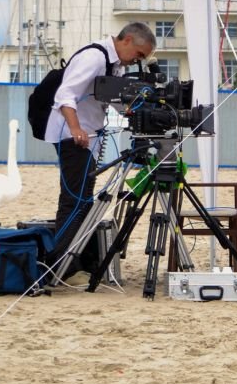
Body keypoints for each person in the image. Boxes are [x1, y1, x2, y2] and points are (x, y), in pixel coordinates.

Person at [45, 22, 156, 237]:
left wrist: (136, 110)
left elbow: (113, 98)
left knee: (84, 198)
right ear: (128, 40)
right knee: (75, 200)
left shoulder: (115, 64)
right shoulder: (94, 57)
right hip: (72, 136)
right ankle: (62, 262)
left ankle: (75, 258)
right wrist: (76, 128)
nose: (138, 61)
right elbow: (65, 94)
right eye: (139, 54)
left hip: (88, 137)